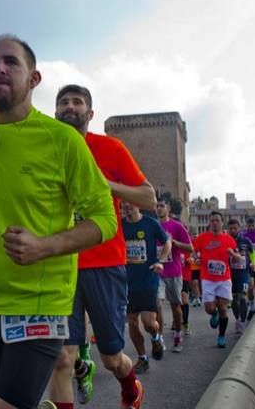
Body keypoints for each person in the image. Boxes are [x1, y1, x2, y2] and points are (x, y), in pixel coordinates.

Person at [0, 35, 119, 409]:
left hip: (41, 303)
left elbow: (105, 220)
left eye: (11, 62)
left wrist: (44, 246)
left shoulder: (63, 140)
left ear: (34, 79)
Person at [49, 84, 156, 408]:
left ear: (90, 113)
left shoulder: (110, 148)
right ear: (55, 113)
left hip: (104, 264)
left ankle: (130, 386)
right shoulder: (45, 150)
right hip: (58, 263)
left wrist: (104, 183)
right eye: (64, 102)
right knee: (62, 358)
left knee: (111, 357)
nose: (70, 106)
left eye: (77, 102)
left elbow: (149, 197)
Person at [121, 201, 171, 373]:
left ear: (137, 204)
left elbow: (167, 243)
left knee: (148, 322)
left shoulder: (150, 223)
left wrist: (161, 261)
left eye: (129, 203)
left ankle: (156, 337)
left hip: (148, 278)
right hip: (127, 281)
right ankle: (142, 357)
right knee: (133, 322)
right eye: (123, 204)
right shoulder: (120, 226)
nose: (126, 206)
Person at [195, 211, 242, 348]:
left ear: (222, 223)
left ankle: (221, 337)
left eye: (217, 220)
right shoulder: (202, 238)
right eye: (212, 220)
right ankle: (213, 313)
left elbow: (238, 258)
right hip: (208, 278)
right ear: (210, 222)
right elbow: (194, 252)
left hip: (224, 278)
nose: (215, 222)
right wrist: (195, 258)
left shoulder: (229, 240)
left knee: (222, 307)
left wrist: (232, 253)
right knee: (210, 309)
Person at [155, 199, 193, 353]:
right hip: (158, 272)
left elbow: (190, 248)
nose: (159, 208)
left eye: (162, 206)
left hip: (174, 272)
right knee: (157, 304)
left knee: (175, 306)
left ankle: (178, 334)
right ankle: (160, 338)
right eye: (157, 206)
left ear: (168, 208)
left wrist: (174, 243)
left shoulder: (177, 226)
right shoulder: (153, 225)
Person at [227, 219, 252, 333]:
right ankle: (237, 320)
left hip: (243, 273)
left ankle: (243, 321)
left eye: (235, 228)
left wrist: (253, 263)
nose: (233, 230)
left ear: (239, 228)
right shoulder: (225, 240)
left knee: (243, 297)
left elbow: (253, 252)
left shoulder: (245, 241)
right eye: (231, 228)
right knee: (234, 299)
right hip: (230, 274)